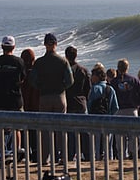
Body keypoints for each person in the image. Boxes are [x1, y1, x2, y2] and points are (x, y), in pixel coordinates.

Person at [30, 33, 74, 164]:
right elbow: (70, 80)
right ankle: (63, 158)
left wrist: (41, 87)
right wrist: (62, 87)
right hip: (59, 96)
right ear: (56, 44)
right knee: (61, 128)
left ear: (44, 44)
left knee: (45, 129)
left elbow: (32, 80)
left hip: (44, 96)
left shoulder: (39, 62)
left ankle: (44, 159)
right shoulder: (63, 61)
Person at [0, 35, 26, 150]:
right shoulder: (19, 61)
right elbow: (23, 78)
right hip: (15, 99)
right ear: (14, 47)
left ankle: (0, 153)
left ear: (2, 47)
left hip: (0, 98)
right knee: (17, 128)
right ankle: (17, 151)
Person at [110, 58, 140, 159]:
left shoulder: (114, 81)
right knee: (133, 134)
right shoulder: (134, 79)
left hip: (119, 110)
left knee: (119, 135)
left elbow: (110, 96)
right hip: (132, 110)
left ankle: (121, 155)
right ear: (127, 67)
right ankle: (133, 154)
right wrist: (137, 103)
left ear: (118, 68)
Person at [65, 46, 91, 161]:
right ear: (76, 55)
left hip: (69, 102)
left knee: (71, 132)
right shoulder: (83, 70)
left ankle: (71, 155)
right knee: (84, 131)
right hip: (81, 102)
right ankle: (88, 155)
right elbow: (88, 89)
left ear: (66, 56)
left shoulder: (64, 70)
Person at [87, 66, 119, 160]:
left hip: (95, 119)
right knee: (108, 143)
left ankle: (97, 160)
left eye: (92, 75)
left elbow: (90, 105)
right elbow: (116, 107)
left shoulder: (94, 89)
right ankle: (109, 161)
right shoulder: (110, 89)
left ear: (97, 76)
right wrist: (110, 115)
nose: (91, 77)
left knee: (96, 143)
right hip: (108, 118)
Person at [20, 48, 39, 162]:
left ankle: (25, 154)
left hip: (23, 105)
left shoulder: (21, 73)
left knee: (24, 131)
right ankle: (36, 153)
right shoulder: (36, 73)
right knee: (35, 132)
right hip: (36, 106)